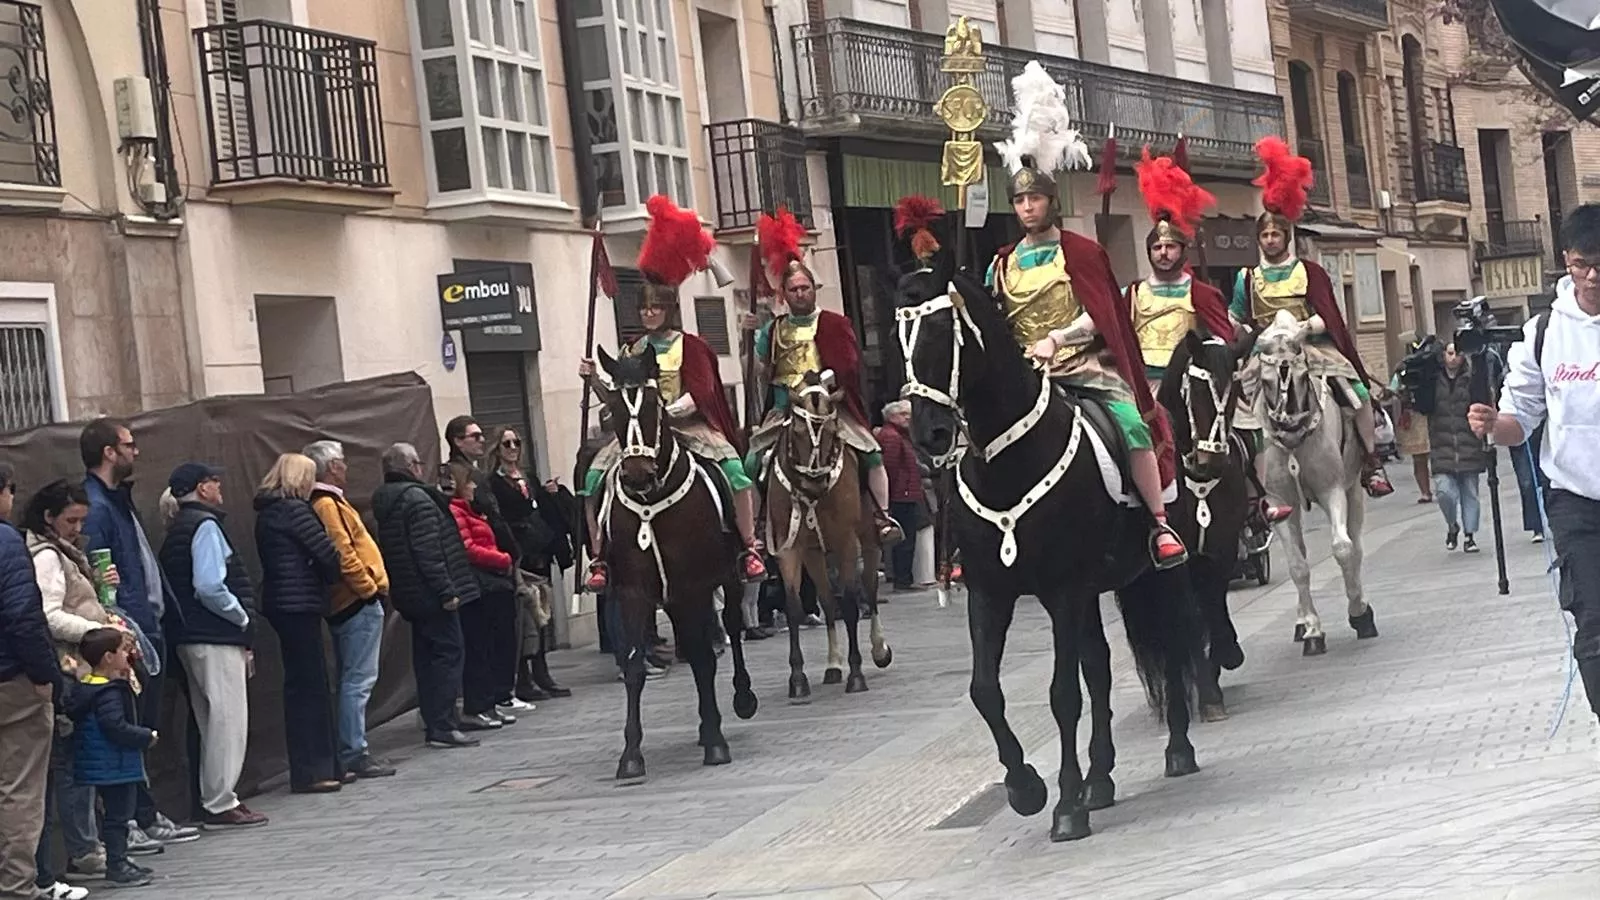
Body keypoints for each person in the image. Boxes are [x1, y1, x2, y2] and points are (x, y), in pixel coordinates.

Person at [976, 66, 1186, 568]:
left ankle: (1158, 524)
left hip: (1081, 367)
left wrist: (1057, 337)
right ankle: (969, 537)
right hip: (1025, 374)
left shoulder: (1083, 252)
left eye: (1036, 198)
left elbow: (1104, 313)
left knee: (1132, 422)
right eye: (1021, 199)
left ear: (1052, 201)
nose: (1028, 206)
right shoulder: (1000, 262)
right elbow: (994, 320)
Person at [580, 195, 768, 590]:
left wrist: (666, 412)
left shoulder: (692, 346)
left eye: (654, 309)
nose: (648, 314)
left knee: (734, 470)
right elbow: (619, 392)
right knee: (593, 477)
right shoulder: (630, 349)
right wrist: (594, 379)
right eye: (644, 309)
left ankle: (749, 545)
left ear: (668, 310)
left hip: (688, 426)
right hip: (639, 432)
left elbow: (700, 393)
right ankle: (598, 558)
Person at [1468, 202, 1600, 726]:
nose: (1592, 275)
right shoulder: (1544, 332)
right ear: (1565, 262)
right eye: (1581, 263)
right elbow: (1518, 419)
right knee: (1592, 619)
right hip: (1575, 501)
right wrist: (1491, 425)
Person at [1125, 149, 1286, 532]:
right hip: (1144, 384)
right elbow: (1119, 335)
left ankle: (1256, 498)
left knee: (1246, 423)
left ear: (1183, 251)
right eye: (1157, 248)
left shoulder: (1201, 293)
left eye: (1171, 247)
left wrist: (1217, 363)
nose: (1164, 254)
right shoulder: (1131, 292)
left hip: (1192, 382)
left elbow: (1222, 335)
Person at [1231, 137, 1394, 502]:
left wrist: (1308, 328)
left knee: (1358, 393)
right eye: (1265, 234)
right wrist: (1240, 332)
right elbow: (1237, 315)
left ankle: (1370, 459)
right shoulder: (1247, 277)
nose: (1271, 239)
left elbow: (1329, 314)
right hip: (1264, 353)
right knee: (1233, 407)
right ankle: (1248, 478)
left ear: (1286, 237)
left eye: (1276, 233)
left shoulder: (1309, 271)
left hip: (1311, 349)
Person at [742, 207, 901, 548]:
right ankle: (756, 529)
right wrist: (751, 340)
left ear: (814, 289)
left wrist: (822, 386)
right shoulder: (773, 330)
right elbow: (762, 373)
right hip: (786, 408)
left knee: (871, 452)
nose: (800, 293)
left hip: (829, 405)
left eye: (805, 287)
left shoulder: (833, 322)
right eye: (794, 289)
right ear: (784, 293)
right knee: (752, 460)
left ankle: (882, 516)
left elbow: (848, 365)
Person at [78, 419, 199, 851]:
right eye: (129, 444)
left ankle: (143, 813)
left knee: (144, 725)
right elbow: (103, 577)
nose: (137, 451)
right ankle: (126, 820)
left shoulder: (117, 501)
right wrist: (123, 626)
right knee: (128, 727)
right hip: (127, 631)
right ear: (109, 452)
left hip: (147, 625)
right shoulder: (96, 505)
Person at [21, 480, 120, 892]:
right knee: (72, 762)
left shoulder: (67, 552)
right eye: (70, 520)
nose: (77, 528)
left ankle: (87, 844)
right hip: (69, 667)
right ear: (48, 518)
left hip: (82, 663)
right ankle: (82, 848)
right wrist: (96, 631)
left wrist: (102, 590)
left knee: (80, 759)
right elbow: (50, 614)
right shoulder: (46, 557)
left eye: (82, 520)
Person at [157, 463, 266, 829]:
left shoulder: (177, 529)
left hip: (190, 636)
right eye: (214, 481)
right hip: (214, 634)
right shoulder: (204, 525)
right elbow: (209, 586)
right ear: (201, 488)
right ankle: (221, 801)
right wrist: (241, 616)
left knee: (210, 719)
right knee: (227, 721)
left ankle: (214, 798)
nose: (220, 486)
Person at [371, 443, 480, 749]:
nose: (421, 467)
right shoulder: (417, 500)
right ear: (410, 467)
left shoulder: (387, 501)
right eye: (418, 462)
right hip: (431, 593)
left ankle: (435, 720)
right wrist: (447, 590)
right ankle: (443, 724)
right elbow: (428, 550)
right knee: (448, 654)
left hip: (410, 593)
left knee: (426, 656)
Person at [303, 440, 397, 779]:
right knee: (357, 679)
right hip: (355, 600)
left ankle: (353, 746)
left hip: (353, 598)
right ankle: (354, 750)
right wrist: (368, 587)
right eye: (341, 462)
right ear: (330, 467)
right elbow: (342, 550)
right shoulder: (327, 504)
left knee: (354, 678)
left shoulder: (330, 502)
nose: (346, 467)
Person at [253, 454, 344, 793]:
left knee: (300, 687)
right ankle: (318, 768)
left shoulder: (268, 512)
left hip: (283, 603)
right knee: (313, 687)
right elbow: (327, 555)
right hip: (301, 602)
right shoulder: (294, 510)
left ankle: (311, 767)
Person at [0, 462, 61, 900]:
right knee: (19, 788)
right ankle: (18, 885)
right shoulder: (5, 542)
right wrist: (45, 675)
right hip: (11, 680)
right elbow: (24, 615)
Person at [483, 427, 573, 703]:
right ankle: (523, 677)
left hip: (541, 553)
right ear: (497, 449)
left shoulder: (528, 478)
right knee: (524, 617)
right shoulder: (494, 483)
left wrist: (552, 494)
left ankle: (542, 671)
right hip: (519, 556)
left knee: (543, 614)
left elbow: (543, 508)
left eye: (516, 442)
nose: (512, 448)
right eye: (506, 443)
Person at [67, 628, 157, 889]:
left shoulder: (85, 689)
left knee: (113, 814)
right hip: (115, 763)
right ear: (108, 657)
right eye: (122, 651)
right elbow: (115, 726)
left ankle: (119, 861)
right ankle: (117, 864)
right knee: (118, 816)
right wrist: (145, 736)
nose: (127, 655)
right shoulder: (110, 692)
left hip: (100, 763)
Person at [447, 460, 519, 732]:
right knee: (478, 647)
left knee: (489, 646)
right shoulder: (457, 512)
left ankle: (487, 703)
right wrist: (502, 559)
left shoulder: (472, 511)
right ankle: (478, 705)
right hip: (480, 583)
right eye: (469, 483)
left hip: (490, 582)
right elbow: (469, 548)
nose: (474, 487)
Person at [1427, 344, 1486, 553]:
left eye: (1458, 353)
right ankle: (1452, 525)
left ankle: (1470, 535)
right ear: (1443, 356)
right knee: (1445, 492)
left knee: (1470, 492)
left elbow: (1484, 403)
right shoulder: (1432, 380)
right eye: (1450, 353)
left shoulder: (1472, 379)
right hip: (1441, 446)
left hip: (1469, 444)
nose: (1453, 358)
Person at [875, 401, 925, 592]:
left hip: (905, 492)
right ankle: (902, 580)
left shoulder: (899, 436)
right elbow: (890, 467)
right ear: (891, 416)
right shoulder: (892, 437)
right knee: (904, 539)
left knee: (907, 538)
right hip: (901, 495)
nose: (908, 417)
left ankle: (904, 578)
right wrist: (894, 492)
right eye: (903, 414)